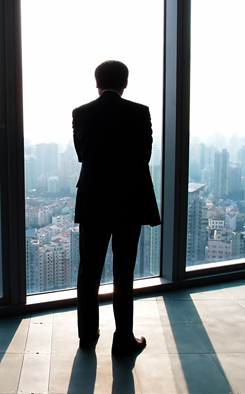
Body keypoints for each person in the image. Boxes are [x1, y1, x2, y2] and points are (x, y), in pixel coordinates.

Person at [73, 60, 161, 355]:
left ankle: (87, 335)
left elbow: (82, 155)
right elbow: (144, 156)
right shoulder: (140, 113)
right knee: (123, 271)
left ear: (96, 83)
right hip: (128, 201)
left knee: (89, 271)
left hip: (93, 201)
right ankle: (123, 338)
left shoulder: (81, 113)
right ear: (125, 83)